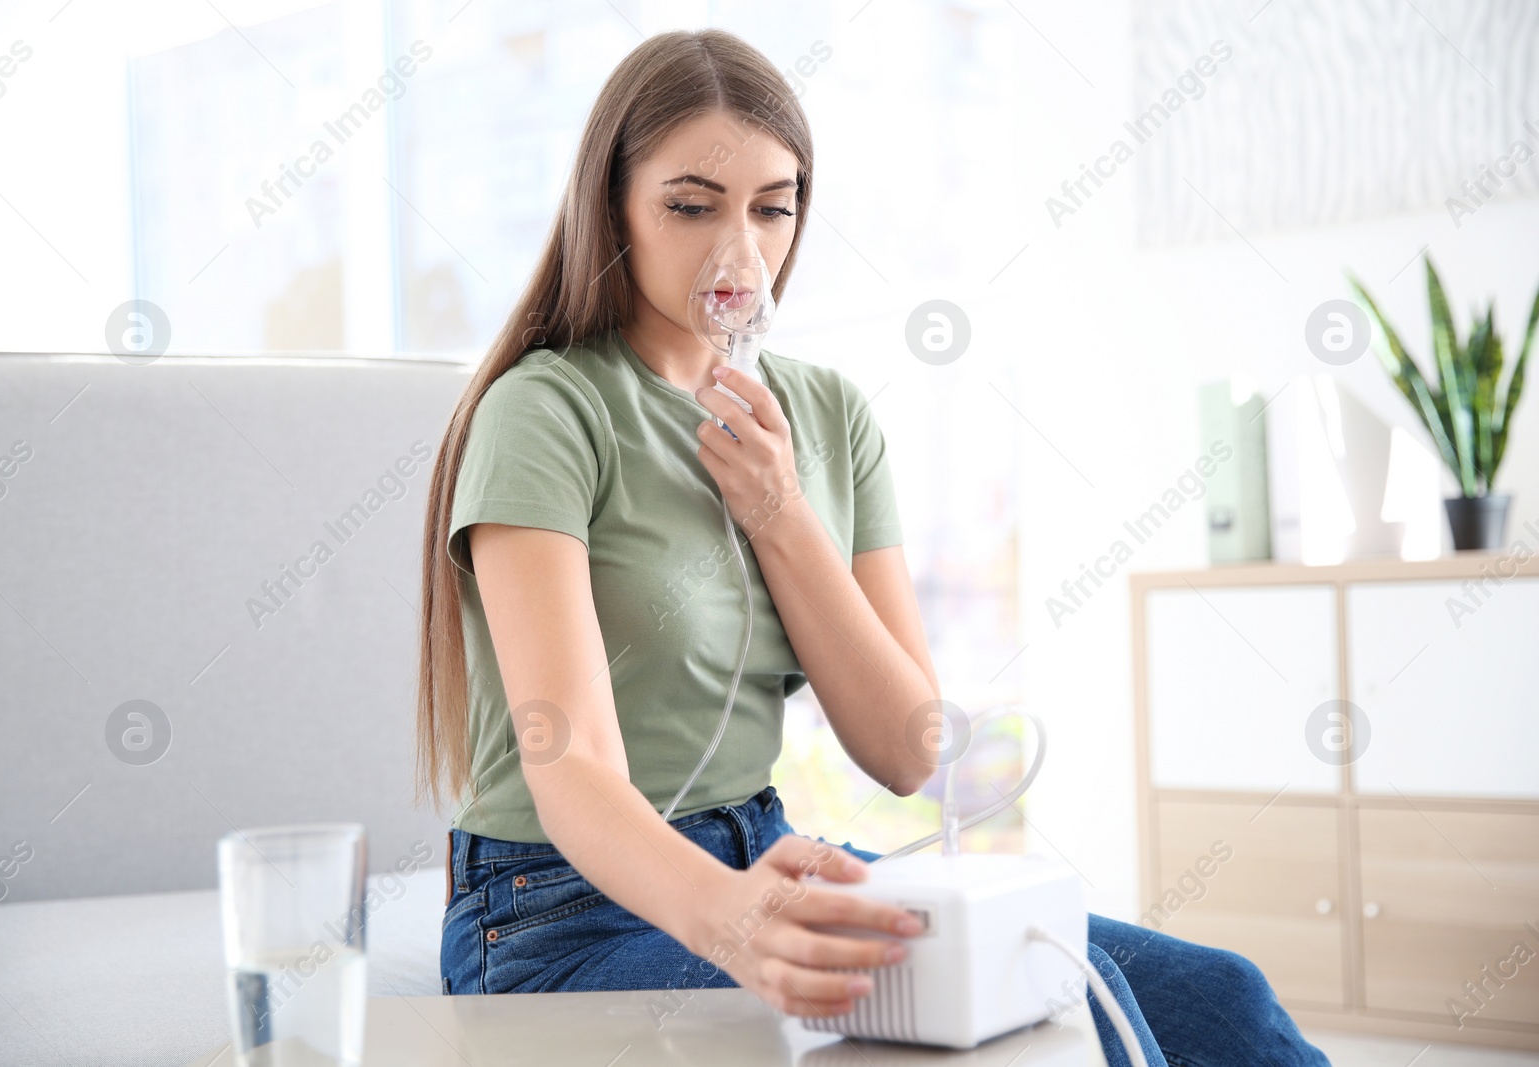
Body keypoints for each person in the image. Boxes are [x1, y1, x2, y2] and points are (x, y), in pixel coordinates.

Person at [413, 27, 1331, 1067]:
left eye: (773, 206)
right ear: (611, 203)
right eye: (690, 204)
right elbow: (566, 760)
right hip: (558, 912)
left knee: (1219, 1000)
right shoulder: (546, 411)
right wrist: (729, 919)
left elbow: (906, 748)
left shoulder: (825, 413)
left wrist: (781, 511)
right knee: (1021, 1030)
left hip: (769, 849)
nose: (740, 252)